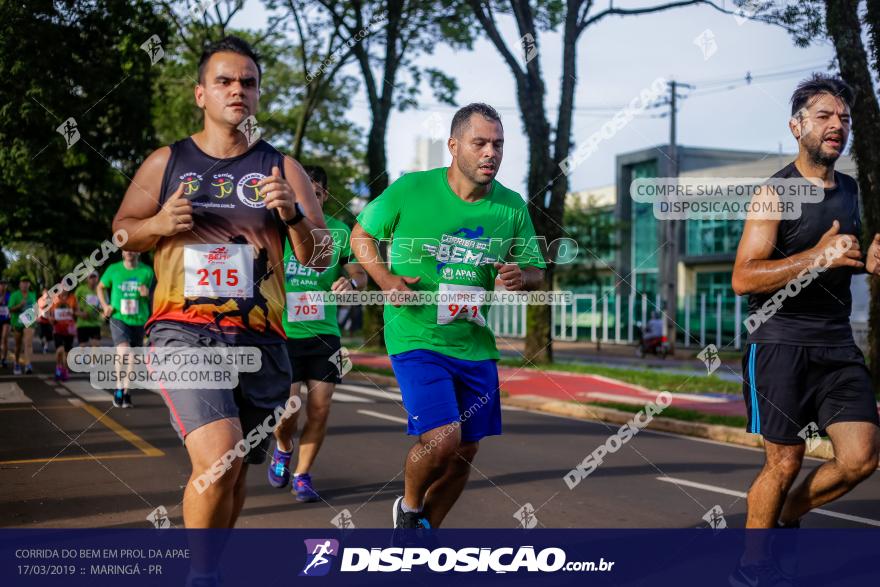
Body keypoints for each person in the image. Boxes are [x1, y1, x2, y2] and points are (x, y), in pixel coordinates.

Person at [109, 35, 329, 541]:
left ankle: (214, 567)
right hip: (184, 331)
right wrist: (160, 223)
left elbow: (318, 257)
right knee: (220, 456)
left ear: (258, 94)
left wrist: (293, 216)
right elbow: (122, 231)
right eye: (224, 81)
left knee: (235, 470)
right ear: (200, 94)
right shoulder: (167, 162)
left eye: (247, 83)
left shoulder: (282, 168)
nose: (237, 90)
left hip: (260, 339)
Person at [351, 103, 546, 529]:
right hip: (416, 336)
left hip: (474, 343)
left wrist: (520, 275)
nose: (490, 153)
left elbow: (534, 269)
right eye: (480, 143)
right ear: (454, 146)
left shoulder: (511, 206)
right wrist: (385, 280)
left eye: (498, 144)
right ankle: (409, 507)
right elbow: (361, 234)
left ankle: (422, 537)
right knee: (442, 439)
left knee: (464, 455)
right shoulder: (411, 190)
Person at [731, 74, 879, 584]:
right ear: (797, 126)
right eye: (824, 116)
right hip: (779, 343)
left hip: (836, 344)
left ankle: (787, 516)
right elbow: (743, 277)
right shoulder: (774, 193)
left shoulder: (853, 191)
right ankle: (752, 568)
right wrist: (814, 257)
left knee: (861, 458)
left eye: (844, 119)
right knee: (784, 462)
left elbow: (850, 254)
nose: (837, 126)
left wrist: (867, 260)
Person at [268, 164, 367, 501]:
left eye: (316, 192)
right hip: (284, 332)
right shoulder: (279, 229)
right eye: (301, 192)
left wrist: (350, 282)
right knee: (287, 411)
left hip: (325, 334)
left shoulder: (338, 232)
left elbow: (359, 274)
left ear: (323, 196)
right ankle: (282, 447)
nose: (309, 197)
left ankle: (303, 474)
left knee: (321, 408)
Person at [97, 251, 154, 408]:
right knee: (124, 351)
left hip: (139, 318)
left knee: (133, 357)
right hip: (119, 317)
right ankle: (118, 387)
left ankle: (127, 391)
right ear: (122, 252)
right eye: (125, 249)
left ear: (138, 251)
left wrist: (147, 294)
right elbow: (100, 287)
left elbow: (157, 295)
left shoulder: (147, 271)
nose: (129, 252)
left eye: (132, 248)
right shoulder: (113, 269)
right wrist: (105, 305)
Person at [8, 277, 37, 375]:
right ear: (20, 284)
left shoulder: (32, 295)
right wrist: (20, 305)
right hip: (17, 322)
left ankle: (28, 364)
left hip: (29, 322)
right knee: (18, 346)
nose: (25, 284)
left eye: (27, 282)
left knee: (28, 343)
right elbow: (10, 309)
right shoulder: (15, 295)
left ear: (29, 284)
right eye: (23, 282)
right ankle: (16, 362)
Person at [49, 289, 77, 381]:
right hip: (58, 328)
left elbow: (77, 311)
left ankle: (65, 370)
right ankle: (58, 369)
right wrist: (51, 319)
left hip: (69, 329)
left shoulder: (73, 298)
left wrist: (75, 314)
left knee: (67, 353)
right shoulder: (54, 299)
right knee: (60, 350)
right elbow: (49, 314)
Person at [75, 271, 104, 347]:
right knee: (83, 347)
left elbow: (104, 305)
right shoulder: (81, 290)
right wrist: (80, 313)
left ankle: (93, 359)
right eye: (91, 277)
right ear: (87, 279)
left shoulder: (101, 290)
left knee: (96, 346)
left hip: (95, 323)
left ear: (98, 279)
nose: (93, 279)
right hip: (82, 323)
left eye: (95, 277)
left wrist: (103, 314)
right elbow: (73, 303)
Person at [36, 288, 53, 354]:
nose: (46, 294)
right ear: (42, 294)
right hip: (41, 320)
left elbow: (52, 310)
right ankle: (43, 344)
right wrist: (37, 317)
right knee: (41, 335)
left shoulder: (51, 301)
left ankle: (45, 347)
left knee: (47, 335)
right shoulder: (40, 300)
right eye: (44, 293)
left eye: (47, 293)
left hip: (48, 321)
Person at [0, 279, 10, 369]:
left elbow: (11, 306)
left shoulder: (9, 295)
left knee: (4, 338)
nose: (3, 286)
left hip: (6, 319)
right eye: (1, 285)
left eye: (4, 284)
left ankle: (4, 359)